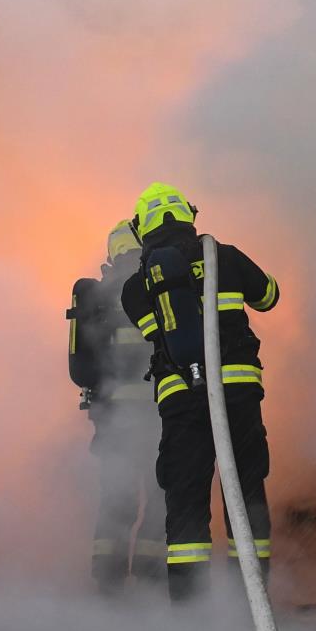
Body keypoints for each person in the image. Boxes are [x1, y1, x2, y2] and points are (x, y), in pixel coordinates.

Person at [119, 183, 281, 603]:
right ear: (188, 215)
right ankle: (251, 598)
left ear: (141, 228)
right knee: (245, 491)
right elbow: (269, 297)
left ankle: (190, 611)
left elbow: (154, 335)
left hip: (181, 400)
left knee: (186, 500)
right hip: (238, 393)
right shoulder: (226, 256)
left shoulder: (137, 286)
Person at [68, 221, 166, 593]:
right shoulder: (156, 287)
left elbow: (82, 370)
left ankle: (107, 583)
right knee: (159, 495)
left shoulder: (96, 297)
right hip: (157, 416)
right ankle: (149, 577)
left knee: (116, 498)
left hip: (110, 420)